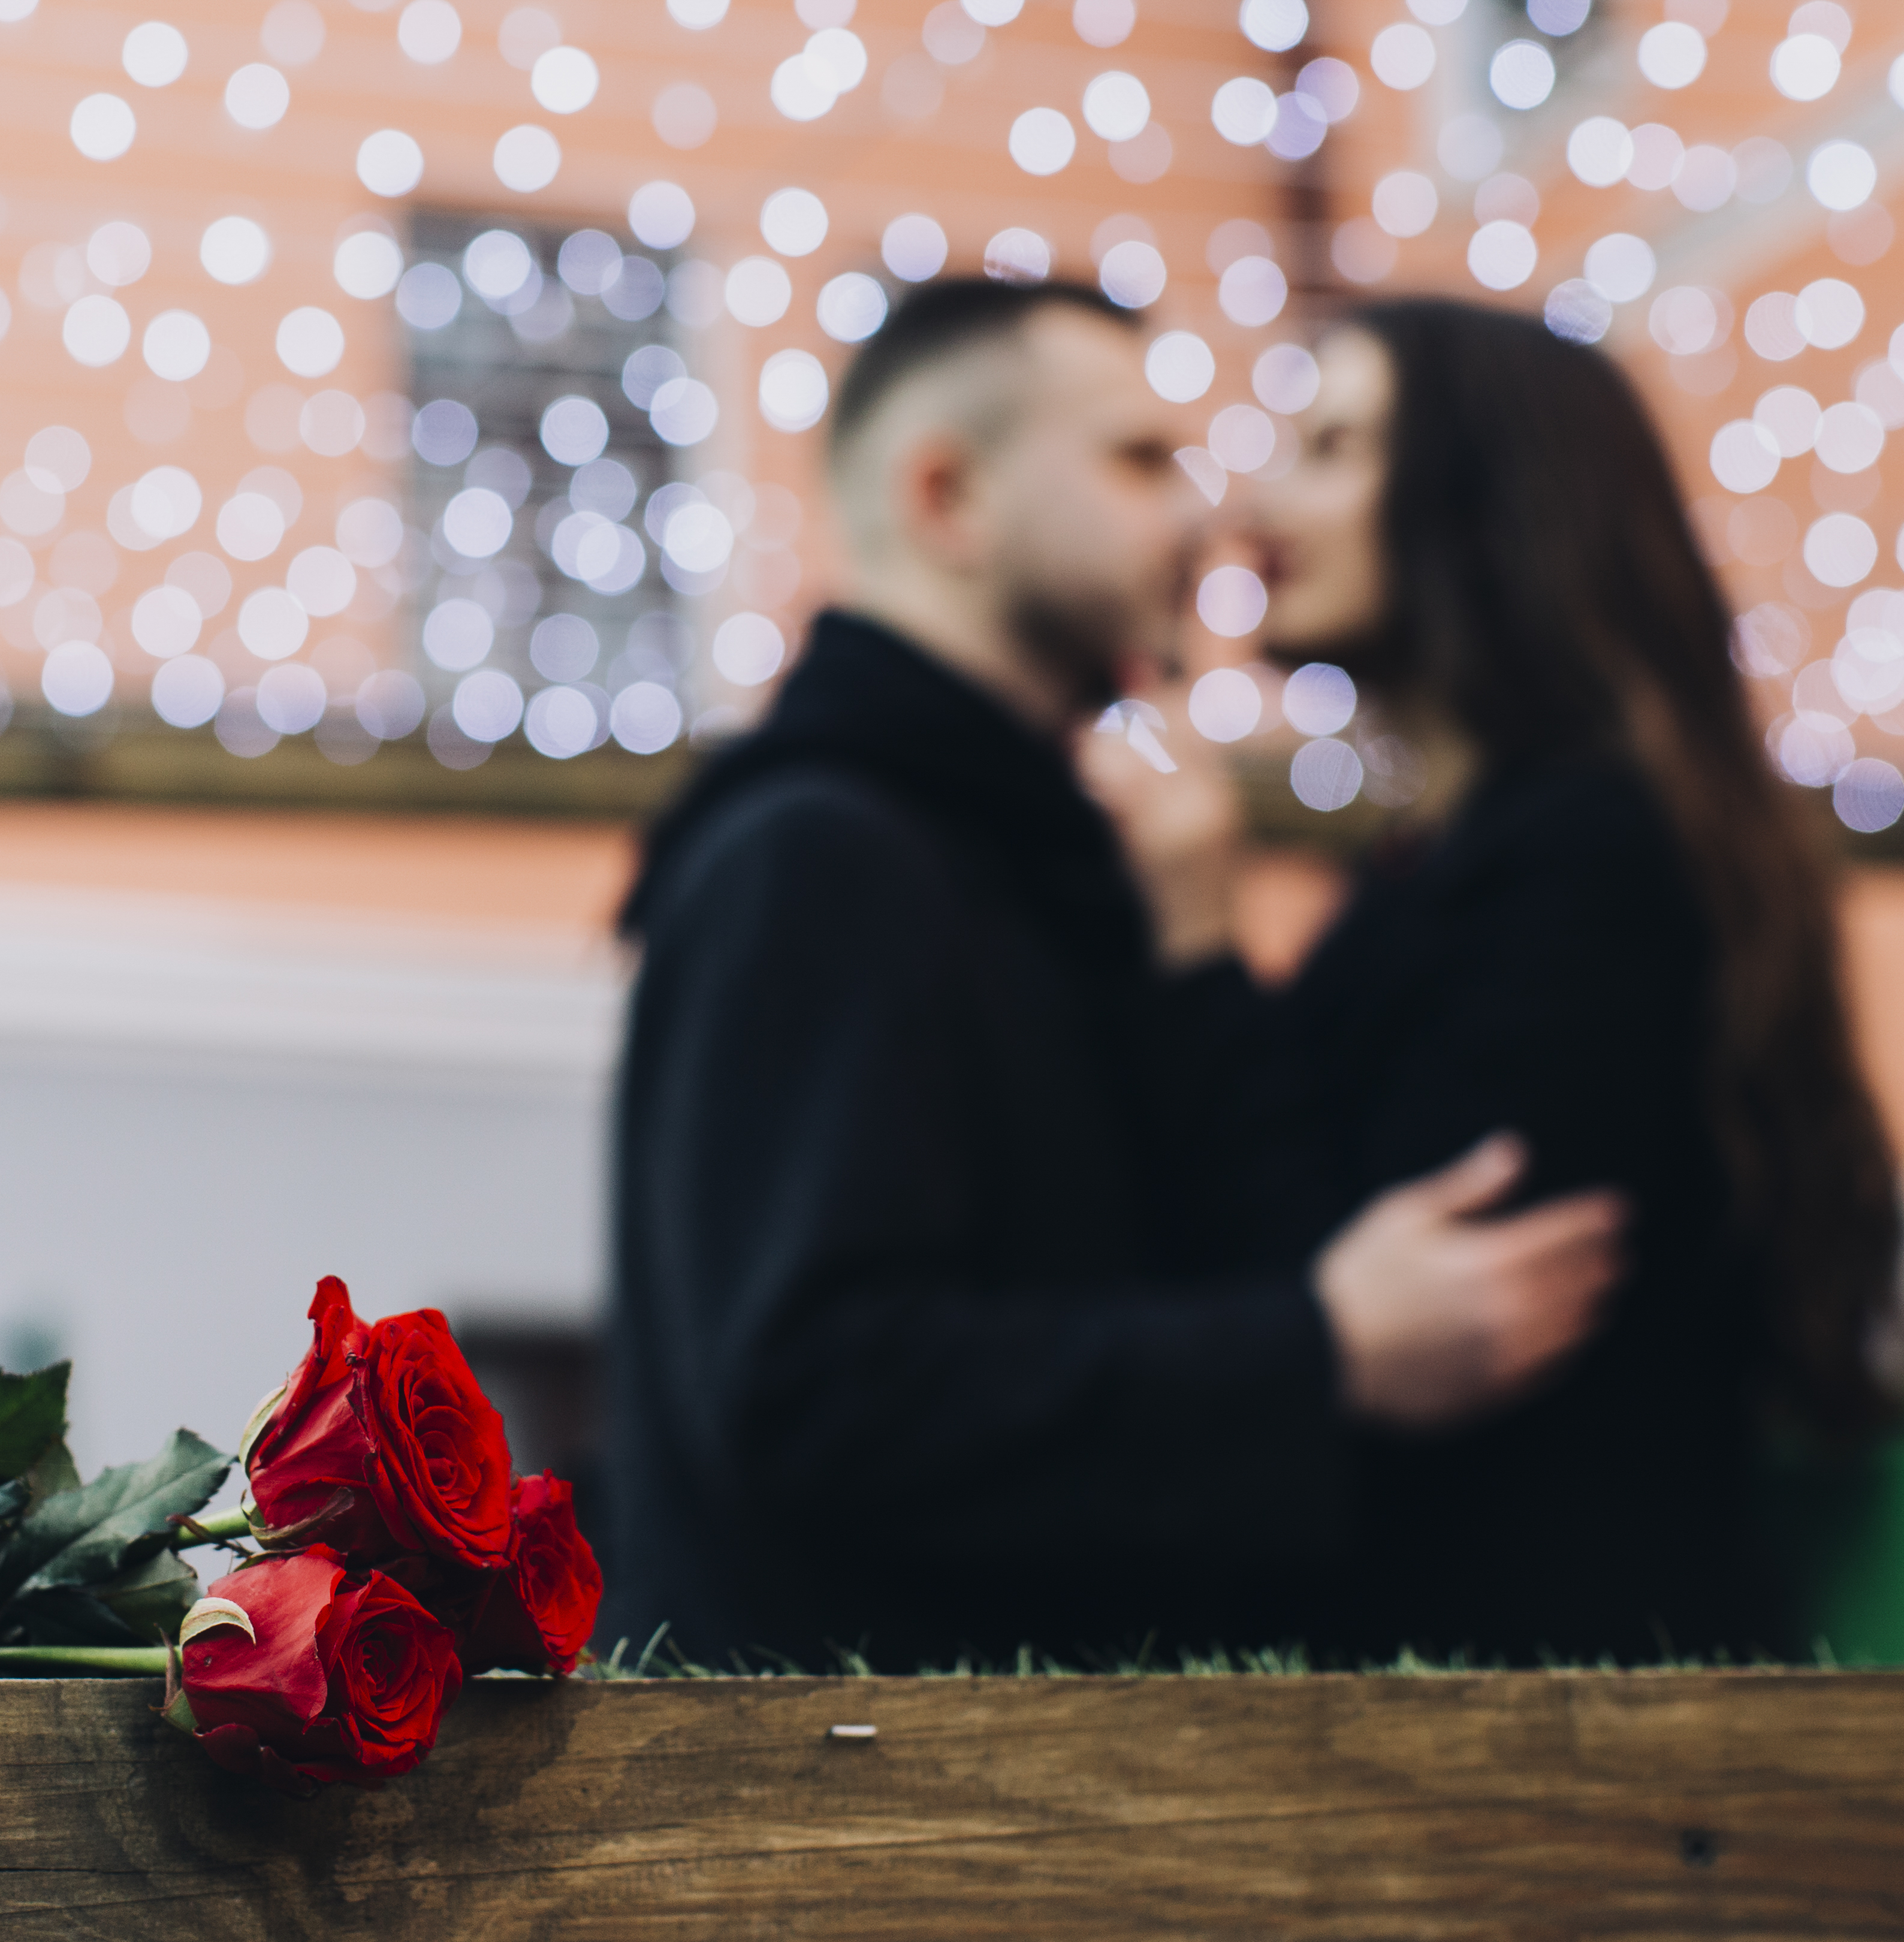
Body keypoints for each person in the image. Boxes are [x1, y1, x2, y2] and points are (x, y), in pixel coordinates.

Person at [601, 281, 1632, 1670]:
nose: (1206, 516)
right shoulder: (825, 855)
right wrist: (1317, 1351)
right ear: (948, 497)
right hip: (866, 1832)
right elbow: (817, 1393)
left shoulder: (1029, 867)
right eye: (1141, 459)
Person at [1109, 298, 1904, 1664]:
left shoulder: (1589, 855)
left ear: (1482, 494)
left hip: (1558, 1703)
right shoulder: (1474, 858)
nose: (1257, 501)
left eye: (1332, 447)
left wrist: (1200, 948)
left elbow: (1406, 1281)